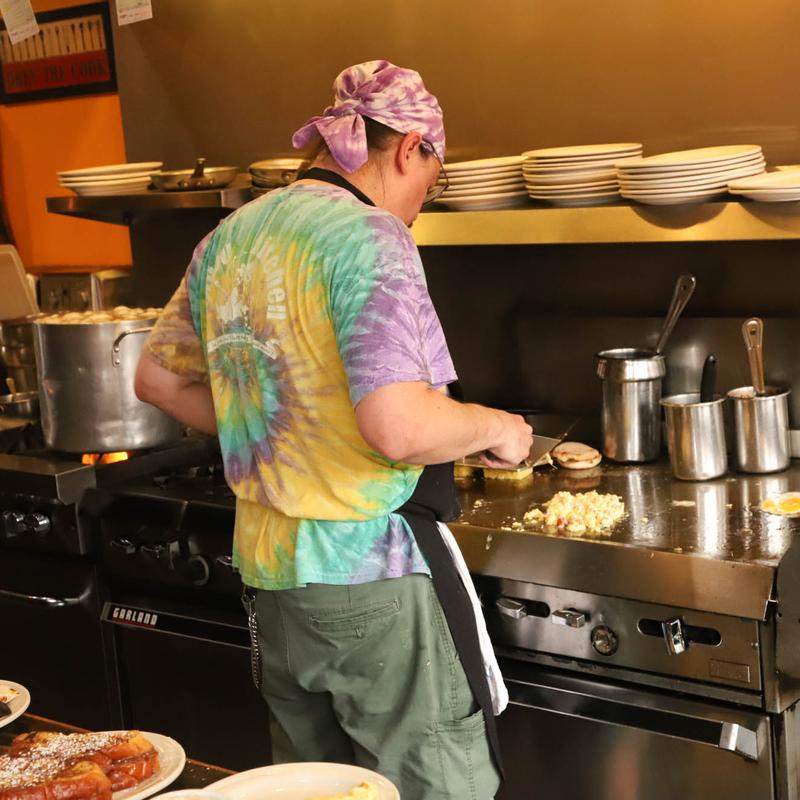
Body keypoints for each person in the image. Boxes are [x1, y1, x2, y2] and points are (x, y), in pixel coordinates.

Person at [135, 59, 532, 800]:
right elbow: (400, 427)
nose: (422, 203)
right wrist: (499, 426)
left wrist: (278, 426)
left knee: (319, 790)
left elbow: (157, 380)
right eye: (433, 180)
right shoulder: (370, 237)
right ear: (410, 148)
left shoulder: (231, 235)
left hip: (271, 579)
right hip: (369, 579)